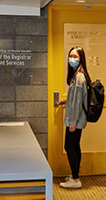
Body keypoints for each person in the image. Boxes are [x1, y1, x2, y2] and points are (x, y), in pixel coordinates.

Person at [58, 46, 92, 189]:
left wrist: (72, 122)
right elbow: (77, 98)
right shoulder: (79, 74)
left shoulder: (79, 76)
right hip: (77, 120)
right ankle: (75, 174)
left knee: (69, 146)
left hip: (75, 120)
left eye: (75, 57)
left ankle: (76, 180)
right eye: (70, 56)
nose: (72, 59)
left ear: (81, 58)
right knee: (75, 146)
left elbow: (78, 103)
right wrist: (66, 101)